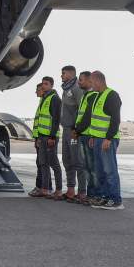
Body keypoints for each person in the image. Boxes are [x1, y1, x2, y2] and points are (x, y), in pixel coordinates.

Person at [84, 70, 124, 210]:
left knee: (110, 171)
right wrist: (93, 137)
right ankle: (105, 197)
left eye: (91, 82)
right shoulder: (97, 96)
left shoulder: (112, 95)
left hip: (107, 140)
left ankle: (115, 200)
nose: (91, 85)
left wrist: (109, 138)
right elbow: (96, 119)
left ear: (98, 81)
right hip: (97, 140)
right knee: (100, 171)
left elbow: (115, 120)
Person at [29, 78, 62, 199]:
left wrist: (52, 136)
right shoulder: (44, 99)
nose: (43, 86)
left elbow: (56, 119)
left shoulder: (54, 99)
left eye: (46, 84)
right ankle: (44, 189)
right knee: (43, 163)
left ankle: (58, 190)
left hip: (49, 137)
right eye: (42, 83)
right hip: (42, 137)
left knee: (54, 163)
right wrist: (37, 137)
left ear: (52, 85)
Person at [58, 65, 86, 203]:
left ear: (70, 74)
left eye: (63, 73)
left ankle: (82, 193)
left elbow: (82, 109)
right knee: (67, 160)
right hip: (66, 130)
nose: (61, 76)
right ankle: (70, 191)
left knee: (78, 161)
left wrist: (77, 129)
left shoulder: (76, 88)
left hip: (74, 131)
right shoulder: (66, 89)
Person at [72, 70, 98, 206]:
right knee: (86, 167)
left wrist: (77, 130)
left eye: (81, 80)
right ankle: (89, 195)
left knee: (91, 168)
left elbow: (87, 118)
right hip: (83, 134)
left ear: (89, 81)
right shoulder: (85, 96)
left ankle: (92, 195)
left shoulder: (92, 96)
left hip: (87, 135)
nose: (78, 82)